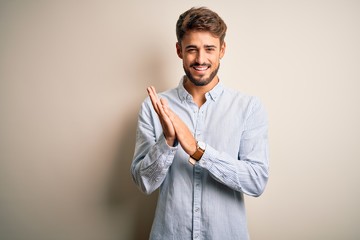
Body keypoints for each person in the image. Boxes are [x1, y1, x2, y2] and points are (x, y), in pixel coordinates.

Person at [131, 6, 269, 240]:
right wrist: (168, 141)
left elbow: (256, 181)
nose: (201, 59)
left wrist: (198, 150)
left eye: (209, 49)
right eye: (192, 49)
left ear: (222, 50)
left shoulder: (248, 107)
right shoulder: (154, 107)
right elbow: (144, 183)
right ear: (179, 50)